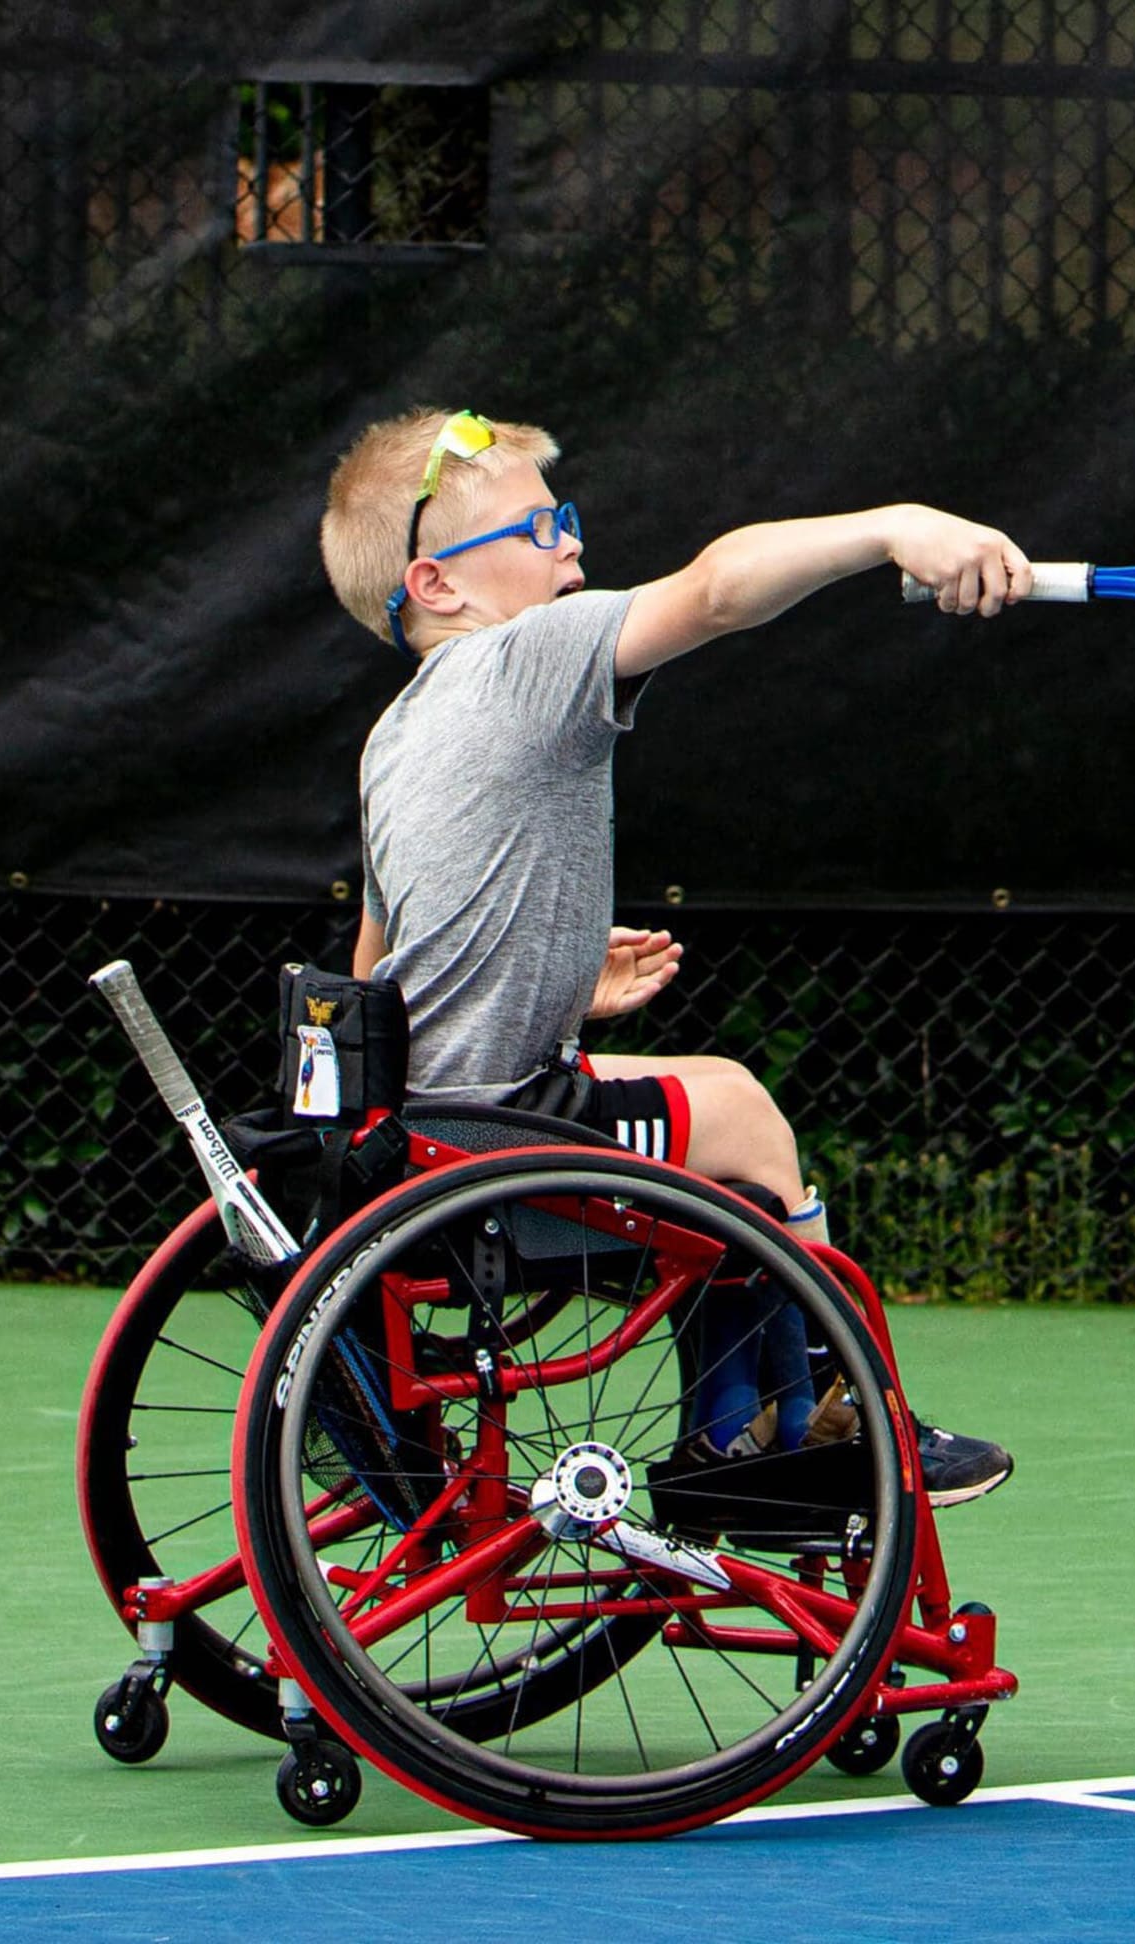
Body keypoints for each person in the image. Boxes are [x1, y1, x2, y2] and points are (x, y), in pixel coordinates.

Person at [320, 406, 1028, 1505]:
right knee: (740, 1114)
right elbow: (714, 589)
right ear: (438, 583)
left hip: (406, 1142)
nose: (571, 546)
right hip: (487, 1145)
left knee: (706, 1112)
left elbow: (382, 962)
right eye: (536, 528)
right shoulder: (523, 660)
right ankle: (799, 1431)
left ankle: (744, 1437)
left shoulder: (396, 734)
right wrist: (898, 526)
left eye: (568, 520)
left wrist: (551, 974)